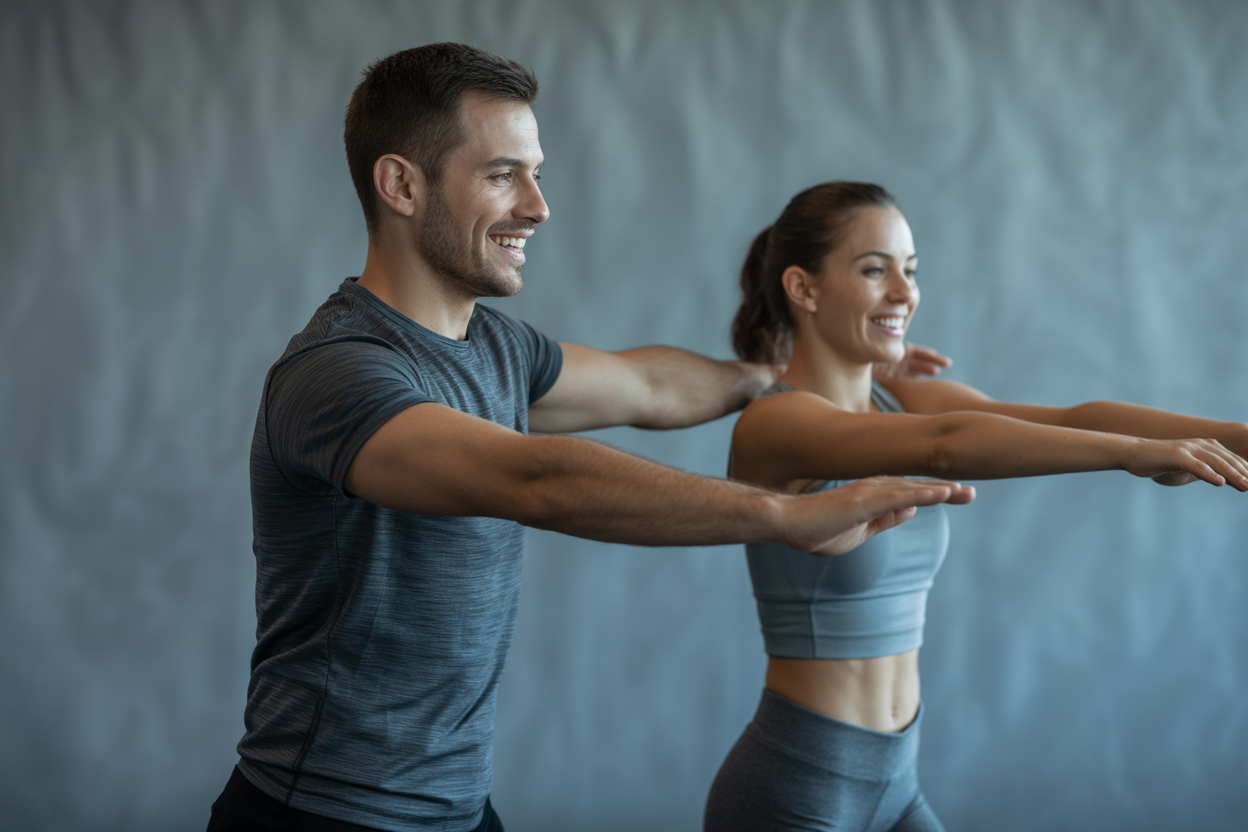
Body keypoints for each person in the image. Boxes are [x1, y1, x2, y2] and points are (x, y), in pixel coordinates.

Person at [205, 46, 974, 832]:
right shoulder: (338, 372)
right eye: (503, 175)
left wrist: (801, 365)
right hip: (321, 812)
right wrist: (783, 515)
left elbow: (651, 386)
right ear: (402, 185)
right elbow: (534, 480)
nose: (538, 206)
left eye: (537, 174)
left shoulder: (498, 349)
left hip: (457, 810)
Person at [703, 181, 1248, 832]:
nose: (905, 293)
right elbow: (946, 446)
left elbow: (1070, 417)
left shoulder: (902, 401)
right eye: (875, 270)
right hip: (797, 788)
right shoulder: (776, 424)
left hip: (896, 782)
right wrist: (1133, 453)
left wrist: (1235, 436)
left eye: (910, 270)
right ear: (804, 288)